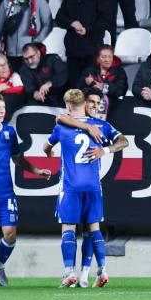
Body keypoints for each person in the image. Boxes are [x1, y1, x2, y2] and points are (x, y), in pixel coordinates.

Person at [43, 89, 128, 288]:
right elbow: (124, 141)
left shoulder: (62, 126)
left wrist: (49, 152)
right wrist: (104, 150)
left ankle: (69, 272)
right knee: (94, 228)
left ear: (69, 106)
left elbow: (46, 147)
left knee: (68, 227)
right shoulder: (102, 126)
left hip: (70, 185)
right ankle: (103, 270)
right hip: (93, 186)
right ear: (85, 103)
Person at [0, 92, 51, 287]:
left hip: (5, 192)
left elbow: (18, 158)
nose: (2, 111)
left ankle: (0, 266)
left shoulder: (10, 132)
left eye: (3, 108)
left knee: (10, 233)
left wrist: (36, 170)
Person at [55, 0, 107, 85]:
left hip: (92, 49)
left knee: (90, 84)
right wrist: (71, 23)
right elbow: (59, 17)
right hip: (72, 49)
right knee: (74, 85)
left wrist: (86, 30)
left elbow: (104, 21)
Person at [77, 45, 128, 115]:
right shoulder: (90, 70)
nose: (107, 60)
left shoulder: (119, 72)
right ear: (98, 59)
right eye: (104, 57)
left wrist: (104, 87)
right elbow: (78, 88)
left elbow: (121, 91)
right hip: (89, 105)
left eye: (110, 57)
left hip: (111, 107)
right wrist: (85, 82)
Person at [19, 42, 68, 106]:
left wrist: (50, 83)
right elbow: (28, 87)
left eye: (31, 57)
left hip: (61, 96)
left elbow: (63, 74)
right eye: (26, 59)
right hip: (40, 100)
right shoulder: (23, 70)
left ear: (38, 53)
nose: (29, 61)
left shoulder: (52, 58)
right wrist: (35, 94)